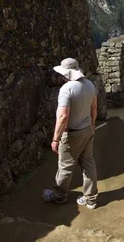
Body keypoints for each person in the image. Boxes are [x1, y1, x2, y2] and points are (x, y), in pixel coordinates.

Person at [43, 58, 99, 209]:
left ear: (65, 74)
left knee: (65, 166)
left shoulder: (67, 89)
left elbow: (63, 116)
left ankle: (59, 195)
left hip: (73, 133)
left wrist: (55, 139)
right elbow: (94, 107)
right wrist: (92, 124)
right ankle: (90, 198)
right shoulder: (89, 84)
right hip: (88, 129)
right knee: (88, 163)